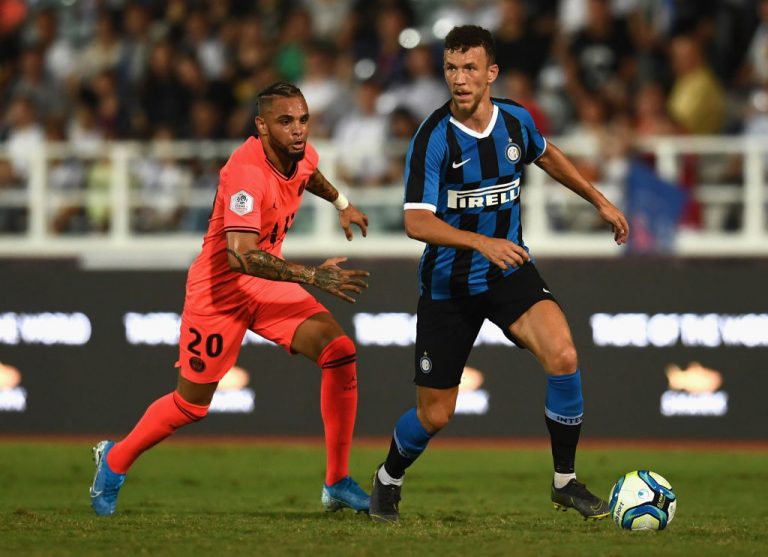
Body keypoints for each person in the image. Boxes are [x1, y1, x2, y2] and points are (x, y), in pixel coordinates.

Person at [368, 25, 630, 523]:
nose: (459, 78)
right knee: (435, 414)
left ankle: (565, 482)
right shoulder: (433, 138)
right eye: (451, 68)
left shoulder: (514, 120)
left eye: (469, 68)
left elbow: (546, 154)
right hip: (449, 286)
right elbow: (416, 222)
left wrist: (599, 201)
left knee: (563, 354)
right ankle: (388, 477)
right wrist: (481, 243)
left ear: (491, 73)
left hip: (508, 271)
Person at [90, 82, 372, 516]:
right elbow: (239, 256)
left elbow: (309, 172)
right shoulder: (245, 173)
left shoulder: (299, 153)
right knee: (190, 406)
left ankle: (336, 481)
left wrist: (342, 202)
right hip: (220, 291)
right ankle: (114, 460)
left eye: (302, 120)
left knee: (339, 352)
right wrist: (314, 276)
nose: (298, 130)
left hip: (266, 281)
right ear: (262, 126)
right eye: (285, 121)